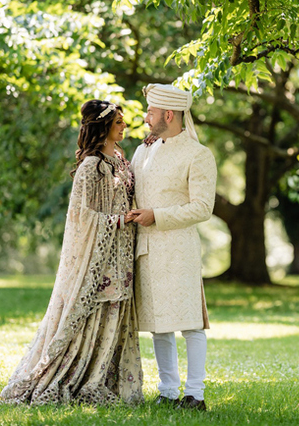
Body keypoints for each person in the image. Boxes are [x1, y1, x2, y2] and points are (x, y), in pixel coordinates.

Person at [0, 99, 143, 405]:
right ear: (103, 126)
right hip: (98, 258)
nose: (125, 127)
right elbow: (81, 217)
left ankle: (108, 380)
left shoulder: (121, 160)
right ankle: (79, 377)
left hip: (123, 255)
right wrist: (118, 220)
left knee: (115, 313)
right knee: (93, 314)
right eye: (119, 122)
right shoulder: (91, 167)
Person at [127, 83, 217, 411]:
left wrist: (157, 216)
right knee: (158, 325)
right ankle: (168, 390)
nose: (146, 118)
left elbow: (202, 208)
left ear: (168, 114)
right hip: (147, 249)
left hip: (180, 249)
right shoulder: (142, 152)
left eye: (151, 112)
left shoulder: (199, 154)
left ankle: (196, 394)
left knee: (190, 323)